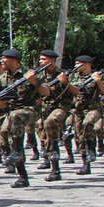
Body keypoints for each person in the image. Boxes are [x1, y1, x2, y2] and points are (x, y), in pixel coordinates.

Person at [0, 48, 49, 188]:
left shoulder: (30, 73)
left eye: (4, 58)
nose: (1, 61)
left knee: (15, 117)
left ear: (13, 60)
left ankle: (18, 152)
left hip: (30, 109)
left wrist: (34, 81)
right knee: (7, 134)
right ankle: (23, 176)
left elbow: (46, 92)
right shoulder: (2, 77)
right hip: (12, 113)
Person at [35, 50, 71, 181]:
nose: (41, 62)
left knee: (50, 122)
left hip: (60, 107)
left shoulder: (63, 74)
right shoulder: (38, 75)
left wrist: (65, 82)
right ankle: (46, 157)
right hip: (44, 108)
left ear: (52, 61)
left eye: (43, 59)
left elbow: (72, 93)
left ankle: (55, 168)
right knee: (40, 127)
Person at [69, 55, 104, 175]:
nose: (76, 66)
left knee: (88, 123)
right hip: (78, 110)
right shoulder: (72, 76)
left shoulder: (98, 76)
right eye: (75, 64)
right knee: (80, 136)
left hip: (94, 108)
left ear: (87, 64)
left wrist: (98, 81)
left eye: (78, 63)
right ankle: (85, 164)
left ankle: (92, 149)